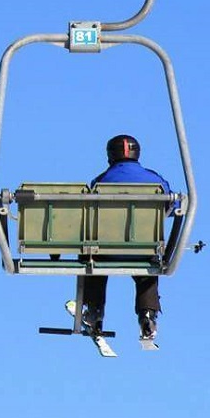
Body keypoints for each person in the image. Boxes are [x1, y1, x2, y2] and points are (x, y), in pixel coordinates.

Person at [81, 134, 173, 341]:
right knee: (147, 273)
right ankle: (147, 314)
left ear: (110, 155)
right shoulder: (156, 181)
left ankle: (94, 310)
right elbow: (172, 205)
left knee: (91, 262)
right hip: (144, 249)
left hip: (106, 250)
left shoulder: (101, 182)